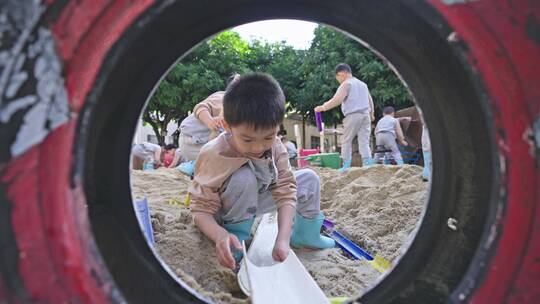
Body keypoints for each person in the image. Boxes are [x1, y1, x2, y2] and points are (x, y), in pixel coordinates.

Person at [188, 73, 335, 270]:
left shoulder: (275, 146)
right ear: (227, 126)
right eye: (247, 139)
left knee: (308, 178)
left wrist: (282, 239)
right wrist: (220, 235)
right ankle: (237, 237)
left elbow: (285, 189)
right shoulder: (214, 153)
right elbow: (200, 209)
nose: (258, 147)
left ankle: (305, 234)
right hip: (226, 212)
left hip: (257, 198)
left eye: (268, 137)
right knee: (244, 178)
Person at [314, 63, 375, 173]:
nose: (339, 81)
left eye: (338, 78)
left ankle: (346, 165)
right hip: (366, 115)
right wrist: (372, 114)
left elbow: (337, 99)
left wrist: (322, 107)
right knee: (364, 142)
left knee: (346, 140)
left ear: (341, 74)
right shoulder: (363, 84)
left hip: (353, 115)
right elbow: (370, 100)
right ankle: (368, 164)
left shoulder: (346, 84)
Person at [177, 73, 240, 175]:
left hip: (203, 142)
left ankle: (198, 165)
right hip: (192, 139)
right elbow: (201, 107)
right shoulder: (222, 97)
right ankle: (196, 165)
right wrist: (210, 122)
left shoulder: (241, 106)